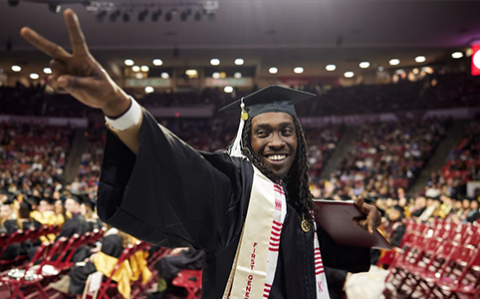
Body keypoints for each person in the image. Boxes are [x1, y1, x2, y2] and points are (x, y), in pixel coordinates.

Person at [20, 10, 381, 299]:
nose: (276, 142)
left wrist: (363, 229)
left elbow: (321, 259)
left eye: (286, 131)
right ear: (247, 139)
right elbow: (180, 166)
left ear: (298, 140)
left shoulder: (298, 198)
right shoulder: (234, 187)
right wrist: (118, 106)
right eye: (263, 131)